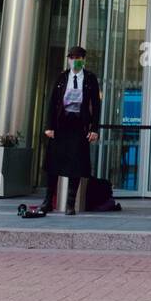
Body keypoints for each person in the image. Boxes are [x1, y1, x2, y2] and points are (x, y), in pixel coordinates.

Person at [40, 45, 101, 215]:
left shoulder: (90, 79)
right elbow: (52, 103)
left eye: (78, 58)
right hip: (61, 124)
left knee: (77, 164)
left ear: (84, 60)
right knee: (53, 163)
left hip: (78, 125)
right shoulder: (61, 78)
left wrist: (94, 128)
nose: (75, 61)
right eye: (72, 57)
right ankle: (47, 201)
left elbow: (96, 105)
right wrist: (49, 126)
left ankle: (70, 204)